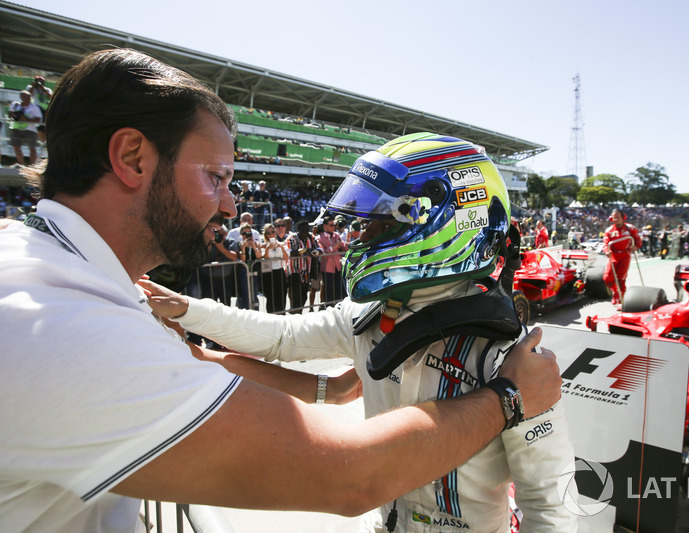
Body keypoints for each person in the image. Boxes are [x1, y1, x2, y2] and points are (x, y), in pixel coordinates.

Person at [1, 49, 562, 532]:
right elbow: (339, 453)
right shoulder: (56, 320)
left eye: (379, 222)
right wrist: (508, 398)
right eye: (216, 177)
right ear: (131, 158)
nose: (228, 203)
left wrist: (190, 319)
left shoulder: (505, 348)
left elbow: (550, 500)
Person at [144, 133, 577, 532]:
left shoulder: (510, 356)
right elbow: (280, 337)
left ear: (443, 221)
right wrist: (185, 309)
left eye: (380, 222)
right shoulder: (368, 314)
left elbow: (550, 502)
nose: (361, 235)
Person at [601, 208, 642, 305]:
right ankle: (615, 292)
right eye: (614, 218)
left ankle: (621, 299)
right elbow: (605, 243)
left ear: (623, 218)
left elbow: (637, 239)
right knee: (607, 278)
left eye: (618, 218)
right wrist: (607, 251)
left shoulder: (630, 228)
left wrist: (636, 246)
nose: (616, 220)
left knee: (620, 279)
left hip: (625, 255)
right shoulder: (609, 230)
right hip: (613, 256)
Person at [286, 220, 319, 313]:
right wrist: (306, 250)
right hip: (294, 270)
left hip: (306, 271)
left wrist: (313, 251)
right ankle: (295, 312)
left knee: (304, 294)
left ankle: (299, 311)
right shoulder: (292, 238)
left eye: (307, 229)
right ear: (298, 229)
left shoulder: (310, 237)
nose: (305, 231)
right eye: (303, 229)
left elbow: (319, 248)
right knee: (295, 293)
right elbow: (291, 252)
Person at [8, 90, 43, 166]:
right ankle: (21, 165)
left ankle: (33, 166)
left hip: (30, 130)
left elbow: (38, 120)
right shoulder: (15, 105)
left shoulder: (35, 108)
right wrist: (15, 115)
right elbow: (10, 115)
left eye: (29, 96)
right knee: (16, 147)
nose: (27, 98)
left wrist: (26, 119)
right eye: (25, 96)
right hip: (16, 128)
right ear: (21, 97)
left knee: (32, 149)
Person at [318, 215, 346, 307]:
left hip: (337, 266)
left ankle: (339, 308)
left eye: (334, 225)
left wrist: (349, 243)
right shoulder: (319, 238)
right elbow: (321, 252)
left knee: (339, 289)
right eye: (331, 225)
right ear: (324, 226)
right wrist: (333, 247)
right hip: (327, 268)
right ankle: (329, 309)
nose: (333, 227)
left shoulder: (336, 235)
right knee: (329, 291)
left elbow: (343, 246)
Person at [260, 222, 289, 313]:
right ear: (266, 235)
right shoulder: (264, 246)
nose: (271, 234)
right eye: (268, 233)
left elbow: (286, 257)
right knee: (270, 298)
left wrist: (281, 247)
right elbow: (265, 258)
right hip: (269, 273)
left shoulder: (281, 244)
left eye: (273, 232)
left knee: (281, 296)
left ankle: (281, 316)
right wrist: (268, 248)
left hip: (279, 272)